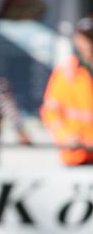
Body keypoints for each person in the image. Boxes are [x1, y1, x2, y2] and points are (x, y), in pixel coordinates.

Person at [41, 17, 93, 166]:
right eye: (86, 38)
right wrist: (65, 136)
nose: (89, 43)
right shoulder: (64, 73)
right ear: (77, 40)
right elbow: (50, 113)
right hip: (76, 156)